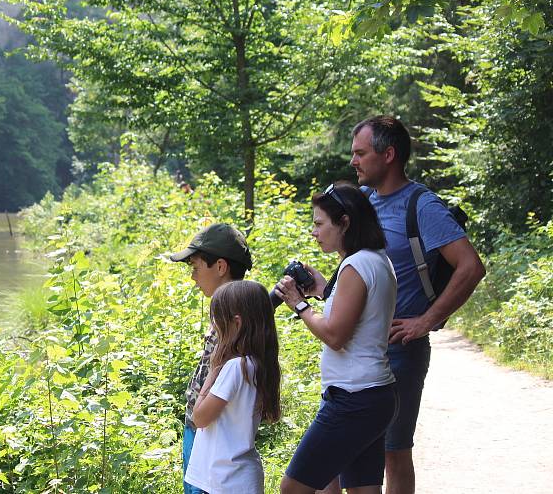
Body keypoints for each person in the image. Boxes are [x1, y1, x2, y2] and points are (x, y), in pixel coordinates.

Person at [350, 115, 485, 494]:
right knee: (349, 449)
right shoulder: (363, 201)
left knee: (393, 452)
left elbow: (471, 267)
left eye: (360, 153)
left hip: (399, 352)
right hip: (356, 349)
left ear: (388, 154)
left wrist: (425, 321)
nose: (353, 161)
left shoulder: (422, 206)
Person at [276, 182, 398, 494]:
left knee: (293, 488)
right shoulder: (376, 259)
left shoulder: (355, 266)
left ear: (344, 222)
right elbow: (360, 316)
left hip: (352, 398)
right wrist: (323, 291)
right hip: (375, 395)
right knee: (363, 490)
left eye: (319, 224)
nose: (313, 232)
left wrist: (299, 304)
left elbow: (335, 335)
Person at [170, 223, 254, 494]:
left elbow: (222, 378)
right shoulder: (239, 311)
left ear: (220, 267)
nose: (193, 277)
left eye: (196, 267)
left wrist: (198, 415)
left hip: (212, 436)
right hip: (206, 430)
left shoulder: (233, 319)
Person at [184, 280, 281, 494]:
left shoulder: (235, 368)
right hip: (237, 478)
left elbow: (199, 418)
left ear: (236, 323)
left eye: (216, 321)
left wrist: (213, 370)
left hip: (226, 481)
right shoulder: (257, 364)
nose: (214, 329)